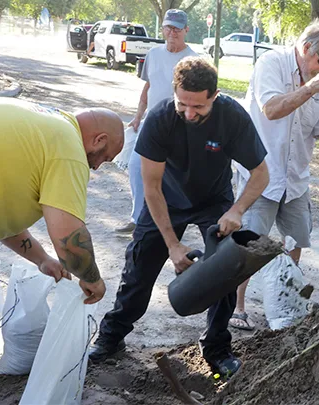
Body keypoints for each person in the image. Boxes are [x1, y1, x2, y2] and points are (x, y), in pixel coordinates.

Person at [88, 57, 269, 379]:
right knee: (138, 270)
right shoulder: (160, 118)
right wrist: (172, 244)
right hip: (166, 199)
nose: (188, 113)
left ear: (214, 96)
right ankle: (111, 337)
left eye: (197, 106)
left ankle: (216, 349)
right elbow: (152, 188)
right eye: (182, 103)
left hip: (214, 200)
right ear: (175, 92)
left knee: (224, 269)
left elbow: (260, 174)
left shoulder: (232, 117)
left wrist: (236, 210)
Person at [0, 98, 124, 404]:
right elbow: (68, 234)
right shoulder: (68, 149)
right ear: (99, 139)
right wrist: (92, 279)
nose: (96, 167)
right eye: (103, 158)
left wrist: (42, 259)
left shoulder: (43, 126)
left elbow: (1, 211)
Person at [230, 21, 319, 331]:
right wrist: (311, 87)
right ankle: (237, 307)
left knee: (294, 241)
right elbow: (271, 109)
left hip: (296, 179)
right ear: (306, 47)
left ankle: (283, 305)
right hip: (261, 173)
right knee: (249, 243)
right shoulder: (272, 64)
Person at [115, 9, 197, 234]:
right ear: (163, 28)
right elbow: (148, 86)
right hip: (151, 122)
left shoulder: (194, 60)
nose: (172, 32)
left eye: (177, 28)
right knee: (135, 167)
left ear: (186, 30)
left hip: (179, 125)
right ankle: (138, 218)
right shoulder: (153, 54)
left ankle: (167, 222)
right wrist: (138, 116)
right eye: (168, 27)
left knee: (170, 174)